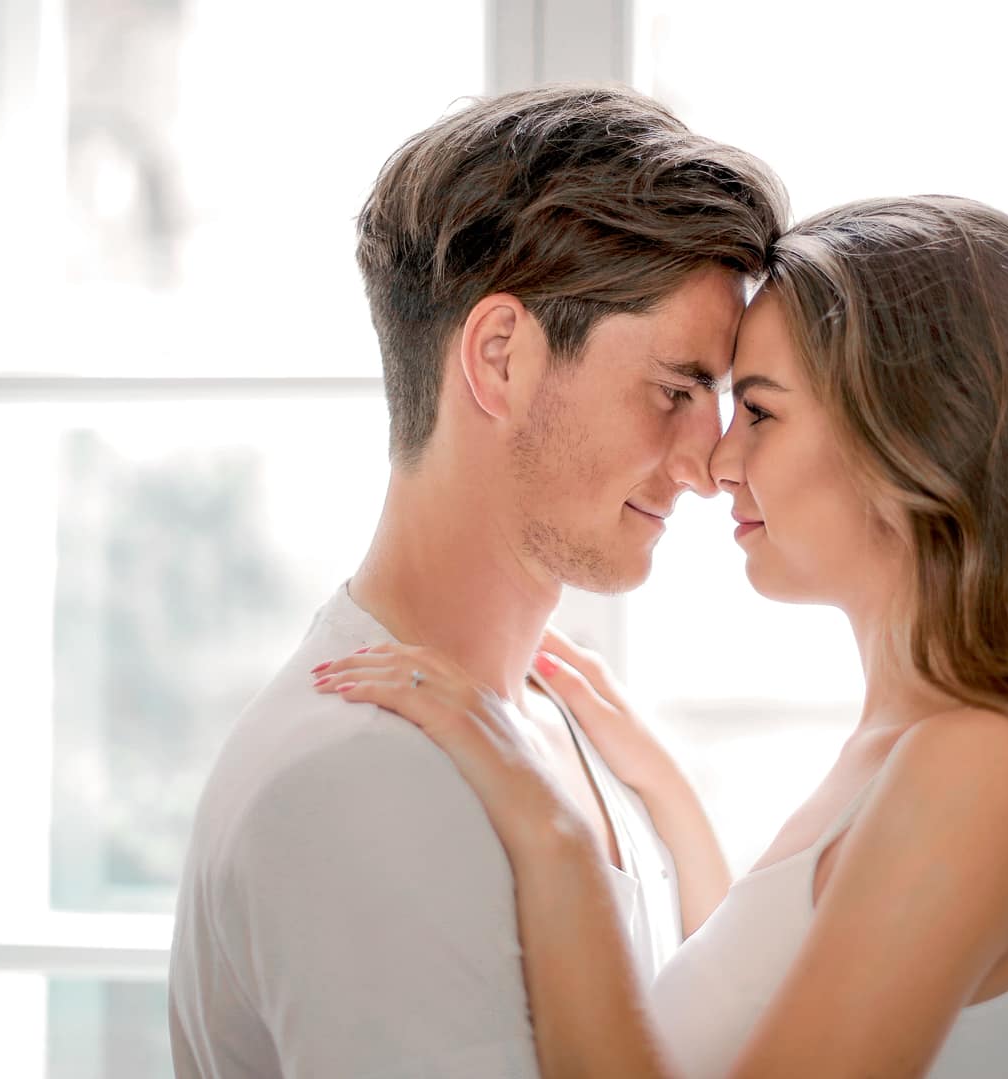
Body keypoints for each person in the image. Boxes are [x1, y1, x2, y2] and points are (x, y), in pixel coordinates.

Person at [314, 195, 1008, 1077]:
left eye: (760, 412)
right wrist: (661, 787)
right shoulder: (921, 747)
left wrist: (550, 835)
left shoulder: (979, 769)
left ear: (917, 440)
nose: (717, 462)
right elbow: (741, 1003)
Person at [168, 84, 786, 1078]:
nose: (707, 464)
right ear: (498, 357)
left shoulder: (567, 722)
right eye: (673, 390)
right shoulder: (355, 780)